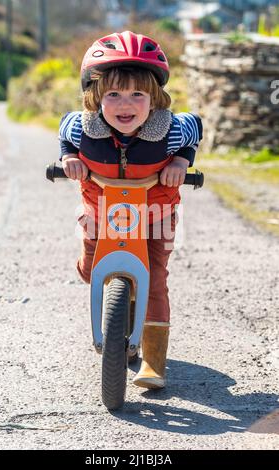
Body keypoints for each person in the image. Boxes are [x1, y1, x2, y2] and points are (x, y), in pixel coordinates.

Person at [59, 31, 203, 389]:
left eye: (137, 94)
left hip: (155, 216)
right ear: (95, 99)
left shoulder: (169, 130)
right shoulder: (82, 128)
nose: (126, 104)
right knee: (91, 270)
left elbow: (195, 126)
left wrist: (182, 162)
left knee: (154, 279)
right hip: (101, 211)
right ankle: (111, 303)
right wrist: (68, 157)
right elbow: (63, 129)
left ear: (154, 99)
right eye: (113, 95)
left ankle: (152, 360)